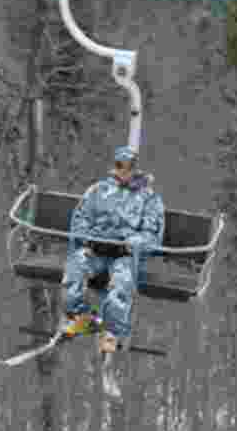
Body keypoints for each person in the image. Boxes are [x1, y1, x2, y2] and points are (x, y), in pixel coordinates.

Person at [61, 146, 165, 354]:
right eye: (120, 166)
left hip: (124, 254)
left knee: (121, 282)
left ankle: (112, 331)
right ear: (114, 166)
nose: (124, 171)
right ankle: (81, 317)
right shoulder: (97, 191)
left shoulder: (148, 198)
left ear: (136, 168)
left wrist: (135, 242)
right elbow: (80, 218)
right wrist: (86, 239)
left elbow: (152, 232)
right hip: (96, 250)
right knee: (75, 267)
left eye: (129, 167)